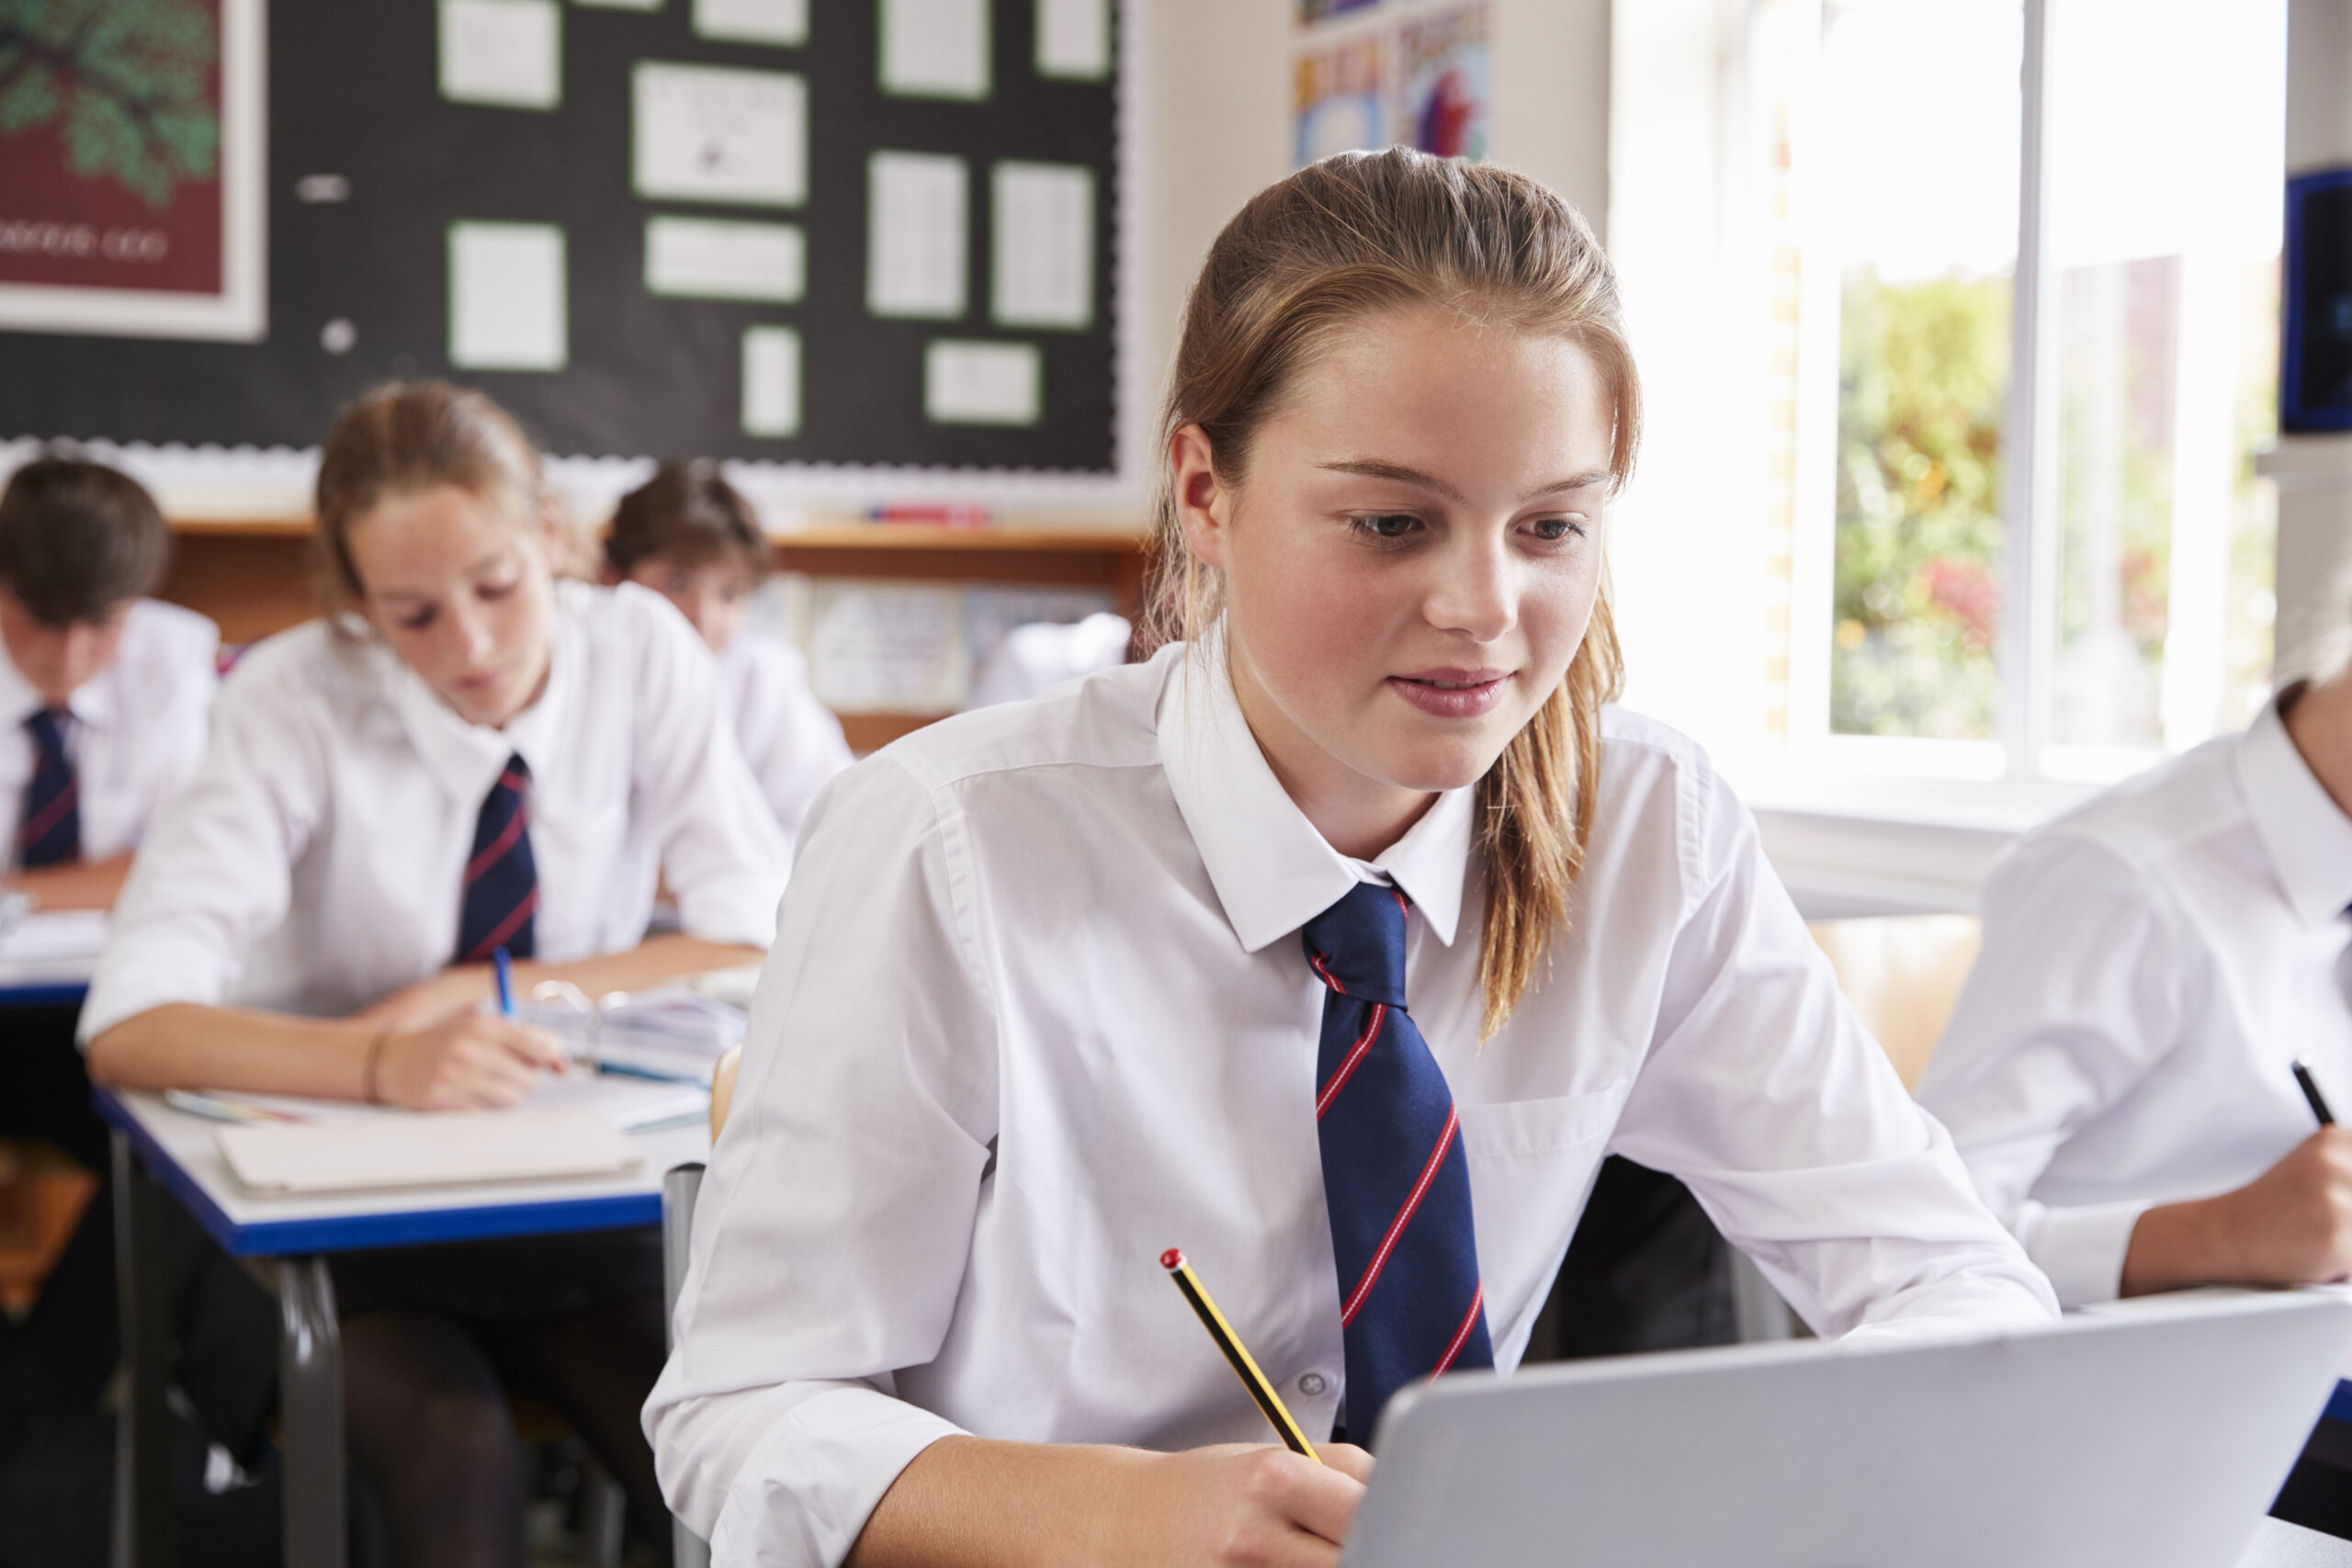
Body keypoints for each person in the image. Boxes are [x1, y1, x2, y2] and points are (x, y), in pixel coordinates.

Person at [647, 150, 2057, 1568]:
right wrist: (1134, 1512)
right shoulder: (947, 842)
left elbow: (1947, 1272)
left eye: (1552, 525)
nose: (1483, 608)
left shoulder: (1648, 828)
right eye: (1391, 523)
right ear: (1206, 489)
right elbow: (743, 1411)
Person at [81, 382, 792, 1568]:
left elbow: (758, 936)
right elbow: (129, 1025)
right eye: (409, 613)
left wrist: (494, 993)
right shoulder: (291, 695)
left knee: (736, 1463)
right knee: (456, 1449)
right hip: (336, 1233)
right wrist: (374, 1058)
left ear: (550, 536)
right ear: (355, 604)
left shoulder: (640, 650)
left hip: (570, 1207)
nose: (465, 645)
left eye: (497, 588)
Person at [0, 455, 229, 1547]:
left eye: (102, 627)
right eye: (42, 623)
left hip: (100, 1009)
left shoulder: (179, 657)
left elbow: (183, 860)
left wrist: (25, 889)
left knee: (185, 1148)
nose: (72, 659)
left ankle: (35, 1400)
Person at [604, 460, 851, 843]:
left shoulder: (764, 680)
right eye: (678, 582)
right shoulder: (580, 672)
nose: (703, 617)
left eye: (730, 594)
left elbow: (830, 822)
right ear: (614, 577)